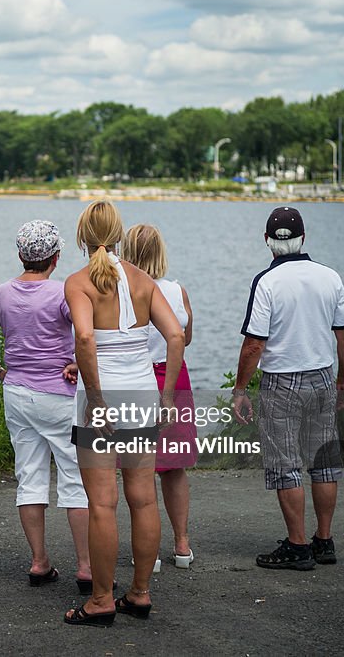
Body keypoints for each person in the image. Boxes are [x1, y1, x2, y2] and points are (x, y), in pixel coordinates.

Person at [63, 200, 184, 626]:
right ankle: (140, 593)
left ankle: (100, 599)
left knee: (101, 503)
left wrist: (95, 398)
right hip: (141, 395)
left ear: (82, 236)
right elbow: (175, 336)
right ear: (119, 232)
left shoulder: (78, 282)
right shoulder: (143, 280)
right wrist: (167, 397)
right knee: (143, 497)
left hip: (102, 398)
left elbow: (84, 338)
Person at [0, 220, 92, 592]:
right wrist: (77, 365)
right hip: (59, 396)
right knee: (75, 480)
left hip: (17, 393)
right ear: (56, 257)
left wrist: (0, 371)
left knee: (29, 477)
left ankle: (39, 562)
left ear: (21, 255)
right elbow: (87, 337)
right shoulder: (63, 293)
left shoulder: (3, 293)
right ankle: (85, 567)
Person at [233, 206, 344, 571]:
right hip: (321, 377)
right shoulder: (330, 277)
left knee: (286, 465)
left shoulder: (267, 283)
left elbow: (254, 345)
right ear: (304, 238)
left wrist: (240, 389)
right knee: (323, 463)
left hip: (282, 383)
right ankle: (324, 540)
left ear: (267, 242)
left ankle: (298, 546)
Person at [122, 224, 196, 570]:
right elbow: (185, 337)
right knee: (174, 467)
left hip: (137, 379)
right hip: (174, 378)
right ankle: (181, 545)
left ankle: (147, 553)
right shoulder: (177, 292)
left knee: (140, 468)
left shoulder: (122, 292)